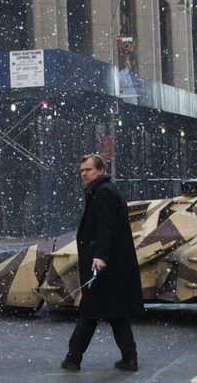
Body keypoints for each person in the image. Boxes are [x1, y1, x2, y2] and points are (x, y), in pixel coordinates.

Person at [61, 154, 144, 372]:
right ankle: (129, 358)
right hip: (112, 265)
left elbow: (106, 228)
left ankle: (73, 358)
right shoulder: (103, 190)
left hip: (104, 266)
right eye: (81, 171)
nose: (84, 174)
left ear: (100, 170)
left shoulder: (104, 192)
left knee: (90, 312)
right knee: (116, 313)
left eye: (88, 170)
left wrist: (99, 257)